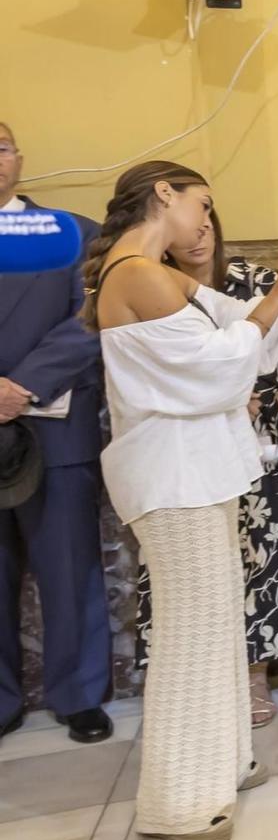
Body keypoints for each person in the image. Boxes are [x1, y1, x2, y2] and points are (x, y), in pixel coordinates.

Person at [86, 162, 278, 840]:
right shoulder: (135, 273)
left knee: (220, 623)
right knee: (192, 634)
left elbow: (237, 327)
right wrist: (276, 296)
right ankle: (177, 802)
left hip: (197, 471)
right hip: (172, 475)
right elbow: (220, 362)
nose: (205, 221)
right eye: (202, 203)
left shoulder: (157, 269)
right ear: (164, 194)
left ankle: (221, 761)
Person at [143, 208, 278, 728]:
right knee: (211, 559)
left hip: (263, 433)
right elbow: (172, 364)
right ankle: (210, 673)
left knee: (268, 551)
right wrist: (225, 394)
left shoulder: (251, 279)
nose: (200, 236)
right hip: (197, 437)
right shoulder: (156, 288)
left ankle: (256, 671)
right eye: (191, 227)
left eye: (208, 226)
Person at [0, 123, 111, 746]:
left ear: (19, 158)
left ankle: (79, 694)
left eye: (1, 146)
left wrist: (19, 387)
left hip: (53, 424)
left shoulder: (71, 234)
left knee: (68, 566)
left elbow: (89, 319)